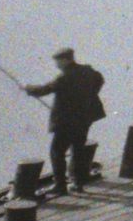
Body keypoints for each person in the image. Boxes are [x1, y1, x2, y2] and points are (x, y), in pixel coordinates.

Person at [26, 48, 106, 196]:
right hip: (84, 118)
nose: (56, 65)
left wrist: (28, 89)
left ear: (65, 60)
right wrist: (88, 95)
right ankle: (77, 183)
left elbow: (44, 90)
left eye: (57, 61)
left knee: (57, 152)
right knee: (78, 149)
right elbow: (100, 80)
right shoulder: (88, 71)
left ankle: (60, 186)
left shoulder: (64, 78)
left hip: (67, 122)